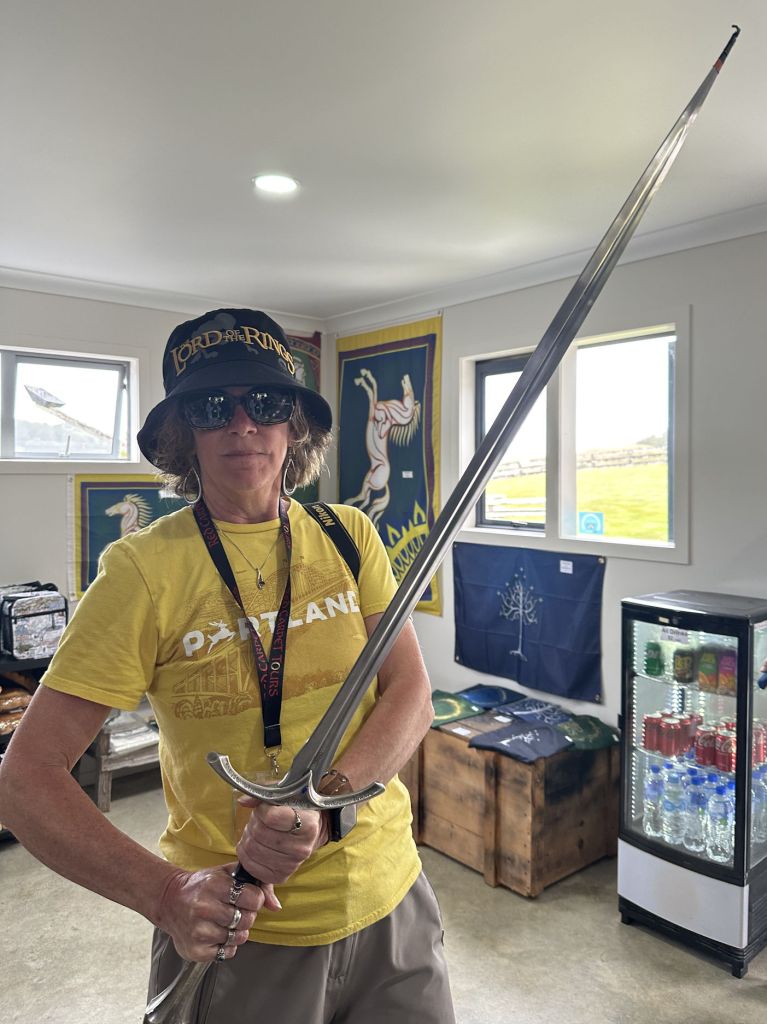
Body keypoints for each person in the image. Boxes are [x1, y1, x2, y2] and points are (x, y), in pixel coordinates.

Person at [0, 308, 455, 1023]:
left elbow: (411, 694)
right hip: (241, 929)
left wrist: (324, 801)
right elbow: (24, 779)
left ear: (293, 426)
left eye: (265, 403)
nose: (243, 424)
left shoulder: (350, 535)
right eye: (213, 407)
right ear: (185, 434)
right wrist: (165, 894)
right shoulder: (141, 569)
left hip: (393, 900)